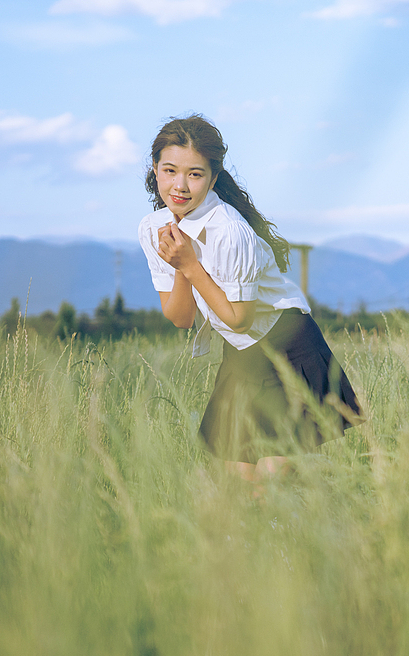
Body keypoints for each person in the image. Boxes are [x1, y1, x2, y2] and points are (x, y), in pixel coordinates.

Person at [138, 115, 361, 484]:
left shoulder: (230, 231)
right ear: (155, 170)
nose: (180, 185)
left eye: (194, 174)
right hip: (242, 354)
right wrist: (179, 261)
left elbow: (238, 317)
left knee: (269, 485)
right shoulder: (153, 228)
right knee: (236, 486)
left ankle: (315, 519)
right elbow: (179, 317)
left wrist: (190, 265)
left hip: (288, 344)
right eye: (170, 170)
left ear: (212, 177)